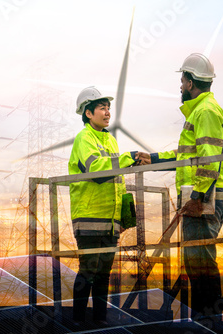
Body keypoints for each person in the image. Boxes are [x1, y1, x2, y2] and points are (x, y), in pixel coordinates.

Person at [148, 53, 223, 320]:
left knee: (202, 263)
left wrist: (197, 196)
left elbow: (209, 159)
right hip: (203, 193)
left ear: (191, 82)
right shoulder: (201, 111)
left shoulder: (205, 111)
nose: (181, 85)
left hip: (205, 195)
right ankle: (204, 322)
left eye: (183, 79)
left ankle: (207, 323)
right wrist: (154, 158)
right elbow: (187, 155)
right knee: (196, 263)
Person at [69, 86, 148, 326]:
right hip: (90, 218)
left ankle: (100, 320)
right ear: (88, 113)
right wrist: (128, 157)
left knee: (103, 273)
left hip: (109, 220)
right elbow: (97, 171)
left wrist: (125, 217)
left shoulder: (111, 140)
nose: (107, 112)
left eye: (108, 108)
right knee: (88, 271)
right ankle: (78, 321)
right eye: (102, 108)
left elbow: (119, 183)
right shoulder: (84, 139)